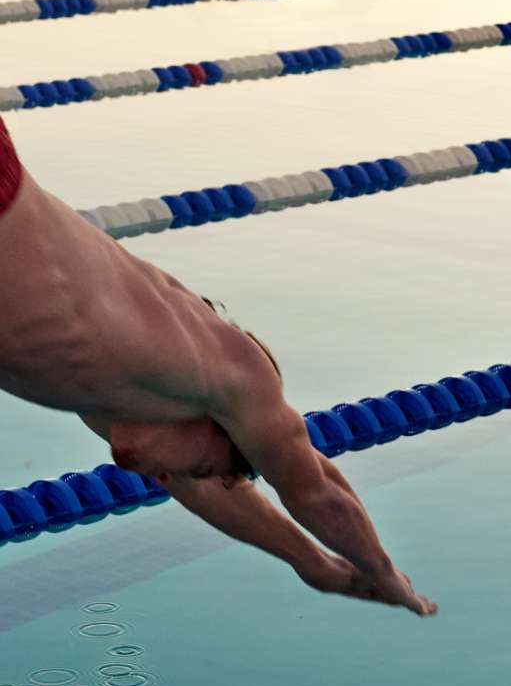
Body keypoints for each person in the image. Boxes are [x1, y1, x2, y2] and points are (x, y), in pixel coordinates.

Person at [0, 119, 436, 617]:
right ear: (220, 427)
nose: (171, 475)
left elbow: (205, 493)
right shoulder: (230, 371)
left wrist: (312, 564)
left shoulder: (109, 393)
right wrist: (382, 574)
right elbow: (314, 488)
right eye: (203, 467)